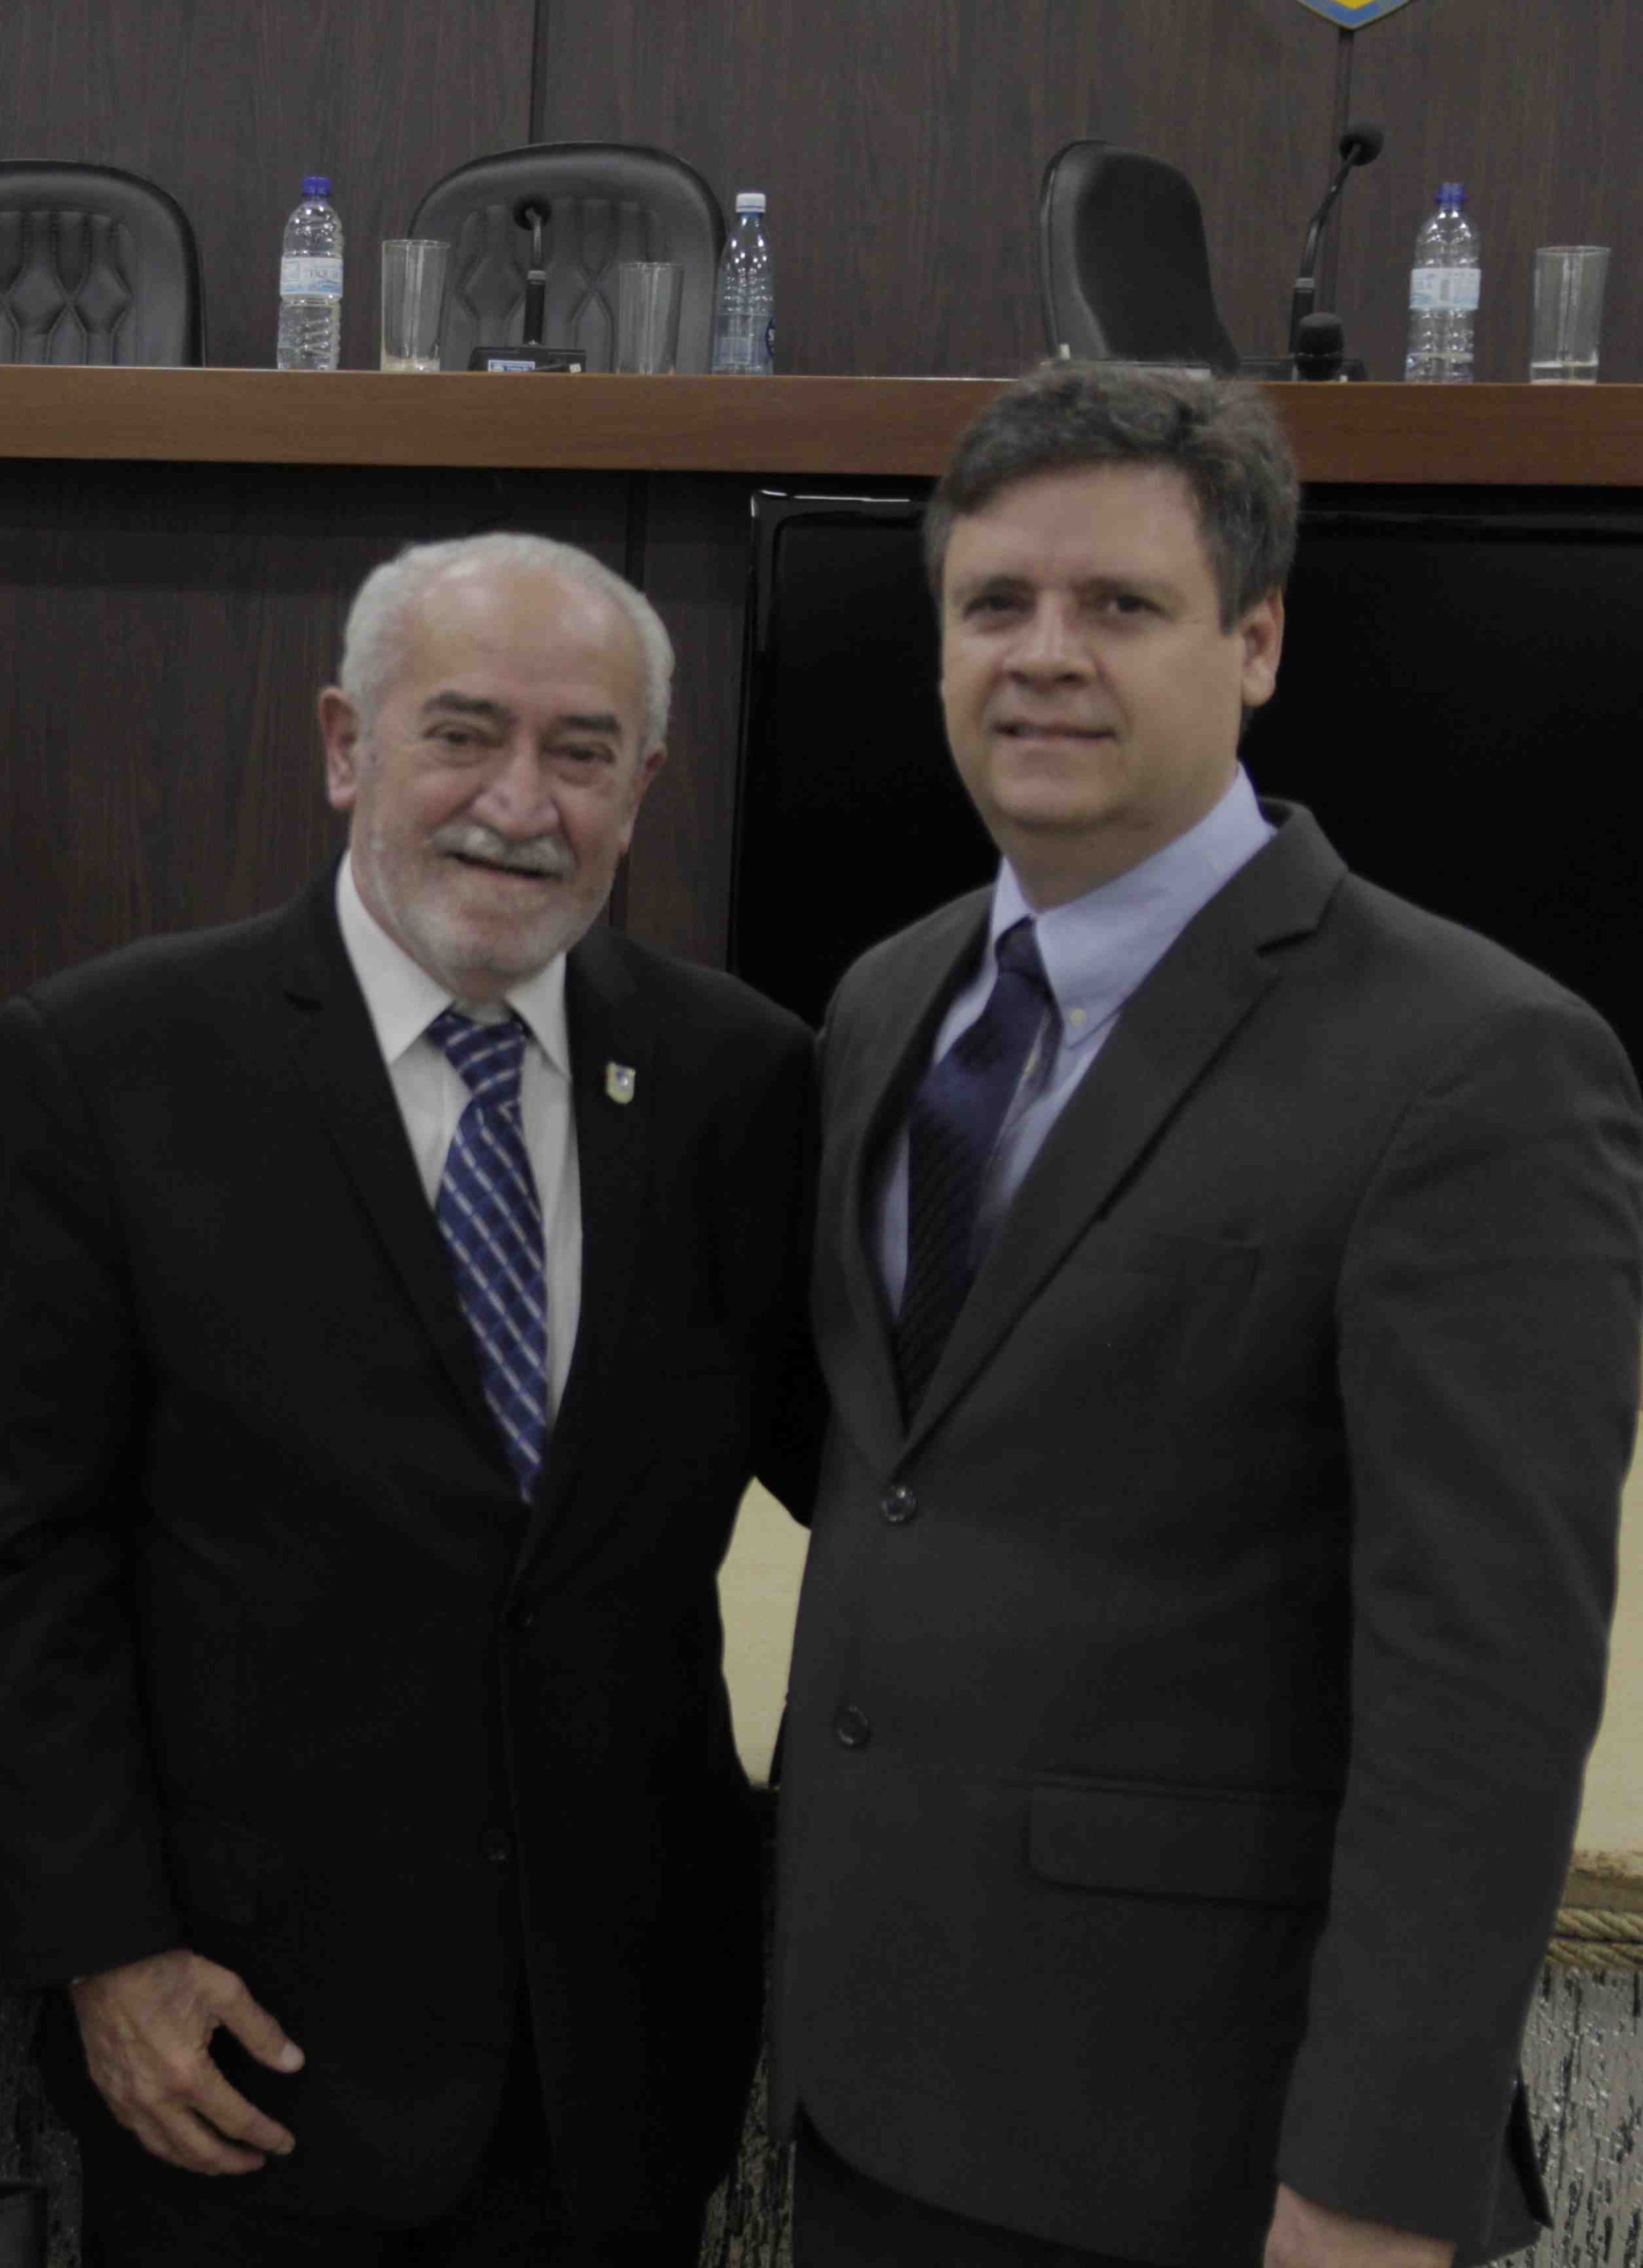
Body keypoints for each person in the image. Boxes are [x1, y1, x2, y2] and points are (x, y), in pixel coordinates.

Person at [773, 362, 1643, 2268]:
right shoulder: (886, 998)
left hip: (1209, 2150)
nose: (1043, 655)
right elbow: (906, 1470)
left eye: (1121, 603)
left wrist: (1372, 2184)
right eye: (994, 603)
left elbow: (1483, 1691)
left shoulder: (1477, 1062)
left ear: (1255, 642)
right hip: (872, 2086)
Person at [0, 533, 819, 2264]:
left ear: (642, 787)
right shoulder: (112, 1063)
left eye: (581, 751)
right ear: (347, 743)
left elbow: (873, 1488)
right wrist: (108, 1950)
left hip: (613, 2070)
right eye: (463, 733)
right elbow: (26, 1554)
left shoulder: (742, 1082)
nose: (519, 801)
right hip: (237, 2049)